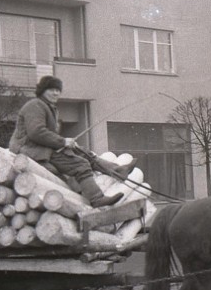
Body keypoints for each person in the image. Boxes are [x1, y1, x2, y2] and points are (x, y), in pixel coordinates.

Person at [9, 76, 136, 208]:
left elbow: (44, 134)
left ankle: (118, 171)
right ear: (42, 90)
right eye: (51, 89)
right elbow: (36, 132)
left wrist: (67, 143)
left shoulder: (48, 107)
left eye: (58, 90)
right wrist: (63, 141)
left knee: (83, 152)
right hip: (29, 150)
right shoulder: (35, 105)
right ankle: (96, 198)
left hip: (41, 148)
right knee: (80, 164)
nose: (55, 93)